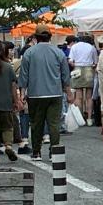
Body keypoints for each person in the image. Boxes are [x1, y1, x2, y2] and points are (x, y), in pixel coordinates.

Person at [16, 29, 69, 157]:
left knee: (36, 124)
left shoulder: (29, 52)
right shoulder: (58, 52)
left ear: (35, 37)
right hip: (55, 93)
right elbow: (65, 75)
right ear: (50, 37)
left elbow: (24, 76)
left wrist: (22, 93)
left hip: (35, 94)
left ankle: (36, 152)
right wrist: (69, 92)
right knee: (54, 124)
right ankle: (54, 150)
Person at [66, 32, 99, 118]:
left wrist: (75, 65)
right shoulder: (92, 47)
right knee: (89, 96)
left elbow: (70, 60)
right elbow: (95, 62)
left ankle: (80, 118)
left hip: (77, 69)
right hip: (88, 70)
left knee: (78, 96)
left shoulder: (74, 47)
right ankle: (89, 118)